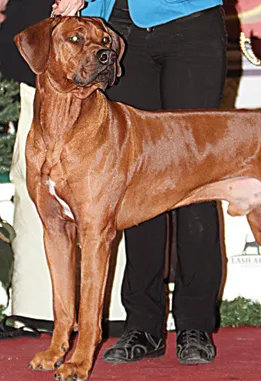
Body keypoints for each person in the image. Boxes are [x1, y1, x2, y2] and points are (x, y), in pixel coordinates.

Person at [52, 0, 227, 365]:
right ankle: (143, 324)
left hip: (189, 20)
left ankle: (194, 324)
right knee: (133, 183)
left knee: (195, 176)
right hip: (114, 27)